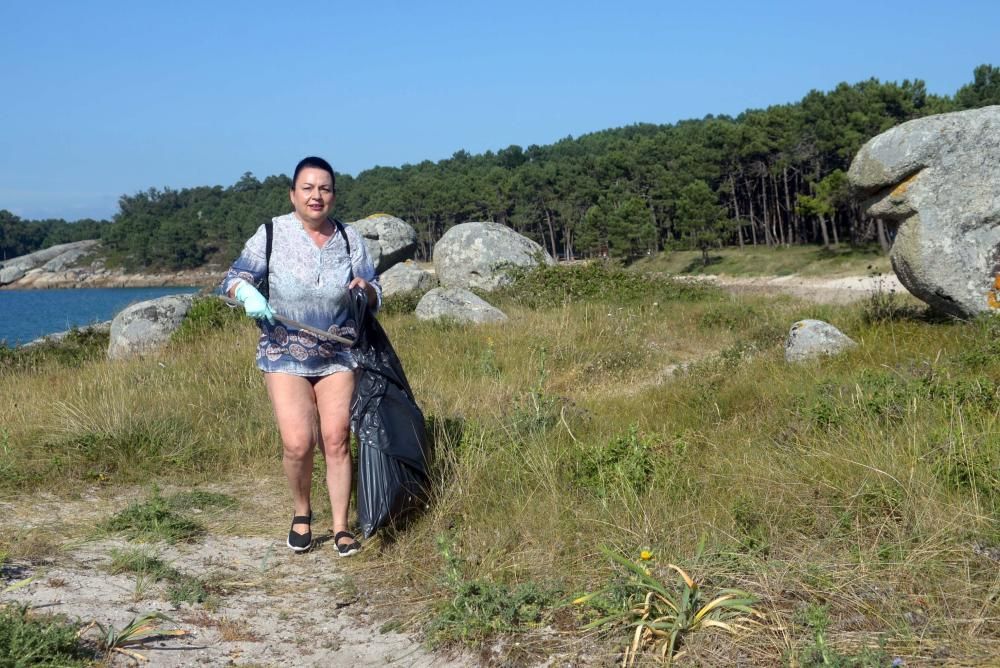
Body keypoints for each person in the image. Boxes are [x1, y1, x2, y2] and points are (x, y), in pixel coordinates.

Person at [221, 156, 381, 556]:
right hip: (283, 352)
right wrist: (246, 293)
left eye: (324, 188)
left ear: (333, 195)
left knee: (336, 439)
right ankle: (302, 512)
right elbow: (233, 278)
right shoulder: (272, 232)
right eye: (307, 188)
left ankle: (342, 526)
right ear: (293, 194)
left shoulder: (349, 238)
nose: (316, 196)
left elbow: (376, 290)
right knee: (297, 442)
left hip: (339, 351)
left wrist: (367, 290)